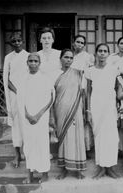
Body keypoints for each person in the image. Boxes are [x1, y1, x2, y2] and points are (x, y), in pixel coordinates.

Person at [84, 43, 120, 179]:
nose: (102, 53)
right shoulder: (90, 70)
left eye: (105, 51)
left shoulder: (113, 69)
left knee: (111, 137)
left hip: (110, 106)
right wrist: (88, 109)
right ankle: (101, 168)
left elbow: (117, 89)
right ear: (96, 54)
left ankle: (110, 168)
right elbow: (88, 91)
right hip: (96, 106)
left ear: (108, 54)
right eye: (100, 51)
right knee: (98, 137)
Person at [18, 53, 55, 184]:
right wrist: (28, 115)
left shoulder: (45, 78)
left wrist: (39, 115)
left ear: (39, 63)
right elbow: (20, 99)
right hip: (27, 118)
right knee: (28, 145)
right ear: (27, 63)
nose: (33, 63)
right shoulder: (23, 79)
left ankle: (45, 174)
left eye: (35, 61)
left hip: (41, 117)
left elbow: (51, 97)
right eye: (30, 61)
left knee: (42, 144)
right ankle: (30, 174)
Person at [51, 49, 87, 180]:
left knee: (76, 138)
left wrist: (85, 111)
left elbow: (83, 94)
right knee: (63, 139)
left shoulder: (78, 73)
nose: (68, 60)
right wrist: (51, 116)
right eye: (66, 57)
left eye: (71, 58)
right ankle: (64, 169)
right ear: (60, 58)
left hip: (75, 110)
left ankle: (78, 169)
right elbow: (51, 95)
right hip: (59, 111)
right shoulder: (54, 74)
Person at [2, 32, 29, 168]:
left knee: (27, 123)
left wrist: (24, 92)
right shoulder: (8, 57)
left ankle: (28, 153)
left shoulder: (28, 56)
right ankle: (17, 154)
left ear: (23, 41)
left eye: (19, 40)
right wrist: (17, 91)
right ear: (11, 43)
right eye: (14, 41)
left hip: (27, 94)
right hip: (14, 95)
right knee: (16, 124)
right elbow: (6, 79)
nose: (17, 43)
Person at [71, 34, 95, 158]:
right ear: (74, 43)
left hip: (83, 88)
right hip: (71, 90)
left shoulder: (88, 57)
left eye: (82, 42)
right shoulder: (70, 56)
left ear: (84, 45)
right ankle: (75, 147)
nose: (79, 44)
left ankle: (86, 148)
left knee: (85, 118)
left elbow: (89, 74)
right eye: (77, 42)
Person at [107, 37, 123, 157]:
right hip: (115, 87)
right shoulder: (112, 57)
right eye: (121, 43)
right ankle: (117, 148)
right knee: (116, 119)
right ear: (117, 44)